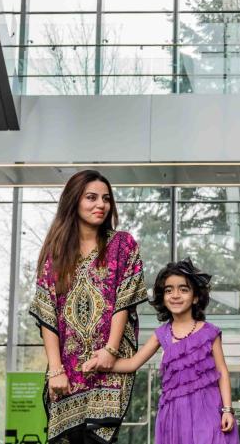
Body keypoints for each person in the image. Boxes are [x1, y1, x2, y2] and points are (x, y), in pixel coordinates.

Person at [29, 170, 148, 444]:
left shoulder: (122, 244)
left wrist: (110, 351)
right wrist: (55, 370)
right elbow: (48, 315)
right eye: (91, 197)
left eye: (106, 199)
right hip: (67, 374)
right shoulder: (55, 254)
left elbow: (124, 301)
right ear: (74, 201)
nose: (101, 205)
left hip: (108, 368)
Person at [111, 259, 239, 444]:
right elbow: (132, 363)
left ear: (195, 297)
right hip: (174, 416)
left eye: (183, 289)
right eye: (169, 290)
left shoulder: (210, 332)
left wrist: (227, 410)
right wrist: (97, 363)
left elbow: (223, 374)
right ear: (163, 297)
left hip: (208, 411)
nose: (175, 295)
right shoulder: (161, 334)